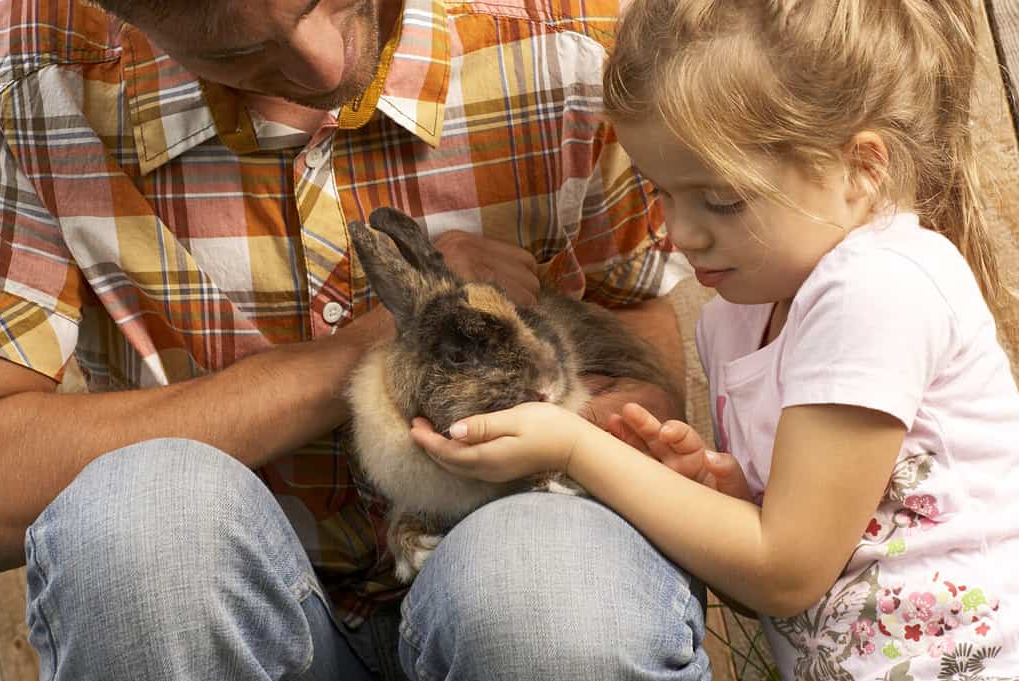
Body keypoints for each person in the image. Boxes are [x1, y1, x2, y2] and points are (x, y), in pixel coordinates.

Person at [0, 0, 711, 680]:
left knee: (541, 592)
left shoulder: (568, 32)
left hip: (502, 571)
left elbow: (633, 318)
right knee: (143, 524)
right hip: (228, 606)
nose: (324, 67)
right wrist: (379, 343)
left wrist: (608, 420)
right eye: (237, 52)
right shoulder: (36, 67)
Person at [412, 0, 1019, 678]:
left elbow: (785, 571)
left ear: (861, 168)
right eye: (661, 191)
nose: (683, 232)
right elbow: (780, 584)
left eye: (721, 198)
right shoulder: (735, 318)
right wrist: (719, 501)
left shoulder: (877, 288)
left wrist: (576, 446)